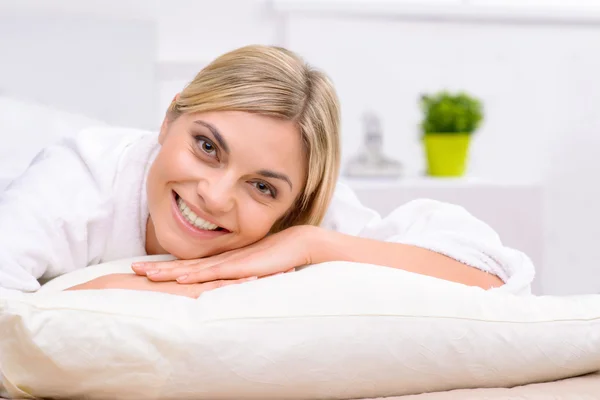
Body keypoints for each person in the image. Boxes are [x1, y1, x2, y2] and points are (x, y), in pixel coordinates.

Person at [0, 45, 534, 298]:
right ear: (169, 119)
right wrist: (140, 290)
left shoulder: (304, 218)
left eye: (261, 186)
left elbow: (495, 276)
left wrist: (312, 244)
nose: (214, 195)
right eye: (207, 146)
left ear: (295, 203)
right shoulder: (78, 180)